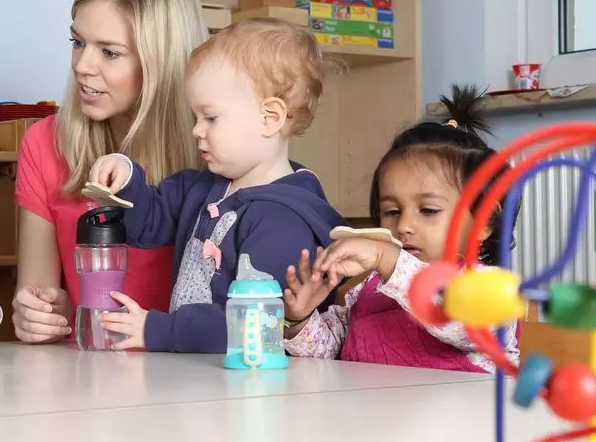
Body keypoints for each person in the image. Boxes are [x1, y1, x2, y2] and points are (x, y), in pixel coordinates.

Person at [89, 18, 345, 353]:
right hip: (201, 374)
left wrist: (159, 329)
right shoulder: (200, 186)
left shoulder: (283, 220)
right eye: (196, 117)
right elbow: (147, 225)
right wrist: (126, 178)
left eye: (211, 117)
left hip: (254, 386)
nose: (197, 130)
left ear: (270, 117)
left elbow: (253, 324)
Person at [11, 0, 208, 343]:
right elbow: (39, 297)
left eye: (110, 52)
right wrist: (43, 316)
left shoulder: (215, 152)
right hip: (89, 379)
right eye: (77, 42)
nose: (83, 65)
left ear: (161, 62)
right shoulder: (43, 143)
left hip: (194, 381)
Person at [282, 84, 521, 373]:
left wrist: (389, 260)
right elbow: (330, 353)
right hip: (369, 414)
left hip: (462, 418)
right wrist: (301, 319)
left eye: (429, 211)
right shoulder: (369, 289)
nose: (404, 226)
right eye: (392, 211)